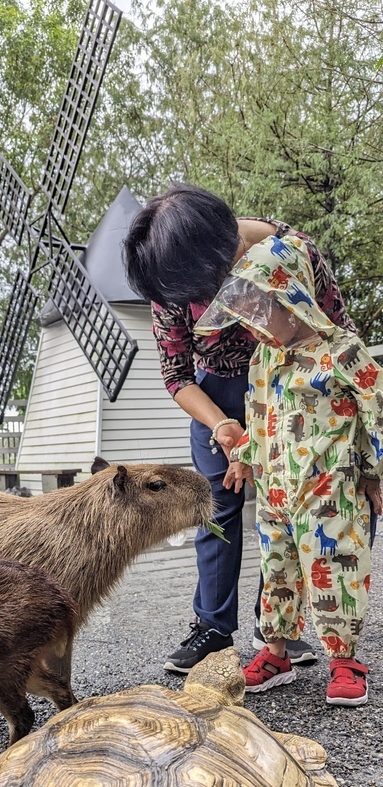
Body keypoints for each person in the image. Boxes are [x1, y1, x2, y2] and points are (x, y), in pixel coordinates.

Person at [122, 183, 359, 673]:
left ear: (222, 256)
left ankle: (276, 629)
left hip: (292, 390)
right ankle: (212, 627)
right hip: (215, 396)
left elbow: (336, 334)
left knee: (293, 506)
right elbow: (176, 373)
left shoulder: (293, 253)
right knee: (217, 506)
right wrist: (223, 424)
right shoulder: (172, 276)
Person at [194, 234, 383, 706]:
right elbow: (255, 417)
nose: (254, 327)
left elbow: (375, 409)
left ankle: (344, 659)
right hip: (276, 490)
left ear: (292, 294)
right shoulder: (263, 359)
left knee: (334, 567)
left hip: (330, 487)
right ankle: (275, 651)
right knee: (276, 570)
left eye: (261, 313)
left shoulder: (342, 350)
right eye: (246, 318)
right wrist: (242, 458)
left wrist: (375, 471)